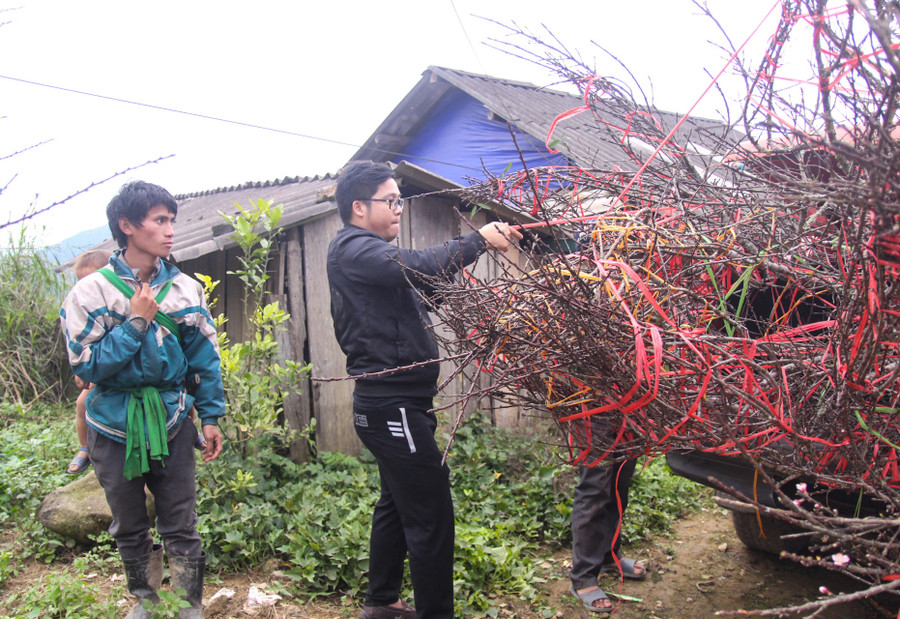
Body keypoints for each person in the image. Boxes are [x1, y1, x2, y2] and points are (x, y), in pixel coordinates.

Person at [327, 161, 522, 619]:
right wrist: (476, 241)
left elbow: (421, 284)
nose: (399, 209)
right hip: (390, 406)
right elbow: (415, 264)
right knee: (431, 512)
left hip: (400, 404)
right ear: (358, 206)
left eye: (400, 200)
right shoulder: (354, 248)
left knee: (396, 502)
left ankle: (382, 601)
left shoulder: (372, 259)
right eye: (390, 201)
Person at [60, 180, 225, 619]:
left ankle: (188, 603)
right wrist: (135, 324)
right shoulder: (90, 293)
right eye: (159, 220)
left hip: (172, 419)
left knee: (181, 520)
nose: (170, 229)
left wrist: (209, 415)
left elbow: (204, 359)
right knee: (129, 522)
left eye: (171, 220)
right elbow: (87, 366)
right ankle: (146, 600)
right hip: (112, 422)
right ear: (127, 225)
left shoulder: (186, 289)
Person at [569, 460, 645, 613]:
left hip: (625, 434)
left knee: (619, 482)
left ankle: (608, 556)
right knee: (594, 485)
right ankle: (584, 577)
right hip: (597, 435)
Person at [65, 249, 113, 475]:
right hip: (98, 375)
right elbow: (81, 347)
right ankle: (85, 447)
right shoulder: (83, 311)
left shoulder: (117, 306)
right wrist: (83, 372)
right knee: (82, 404)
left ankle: (190, 432)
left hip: (124, 374)